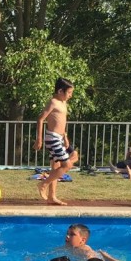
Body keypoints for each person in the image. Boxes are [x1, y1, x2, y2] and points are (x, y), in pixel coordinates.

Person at [34, 77, 79, 205]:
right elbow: (40, 119)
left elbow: (62, 121)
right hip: (52, 138)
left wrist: (65, 137)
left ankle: (51, 196)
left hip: (59, 138)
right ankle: (43, 184)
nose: (70, 95)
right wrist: (39, 139)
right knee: (67, 165)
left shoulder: (63, 103)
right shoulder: (53, 102)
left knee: (57, 166)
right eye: (69, 92)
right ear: (60, 91)